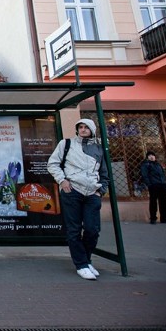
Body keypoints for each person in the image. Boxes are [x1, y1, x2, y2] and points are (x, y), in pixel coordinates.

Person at [47, 119, 109, 281]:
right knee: (74, 230)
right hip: (72, 191)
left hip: (92, 193)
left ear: (92, 130)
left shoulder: (98, 148)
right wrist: (62, 180)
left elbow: (104, 172)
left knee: (92, 229)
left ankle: (87, 261)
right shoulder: (66, 144)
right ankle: (81, 264)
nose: (83, 130)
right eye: (80, 127)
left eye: (86, 127)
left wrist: (100, 190)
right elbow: (52, 163)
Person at [141, 151, 166, 224]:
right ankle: (153, 218)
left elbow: (163, 174)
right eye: (149, 155)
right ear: (147, 157)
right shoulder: (146, 164)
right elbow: (145, 175)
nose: (152, 156)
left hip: (163, 185)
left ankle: (164, 218)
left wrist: (165, 184)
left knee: (164, 202)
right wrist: (149, 184)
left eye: (153, 155)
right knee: (153, 202)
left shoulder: (158, 164)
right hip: (154, 185)